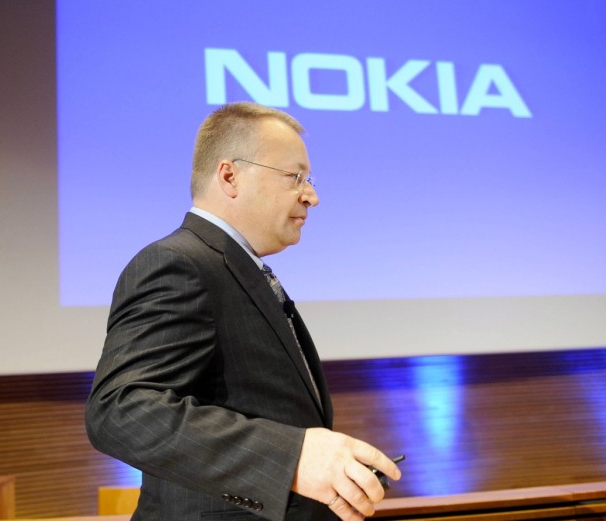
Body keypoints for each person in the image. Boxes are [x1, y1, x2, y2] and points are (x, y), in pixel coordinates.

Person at [85, 102, 401, 521]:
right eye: (295, 177)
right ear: (230, 175)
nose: (312, 195)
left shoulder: (236, 265)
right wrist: (292, 457)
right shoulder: (178, 263)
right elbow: (120, 410)